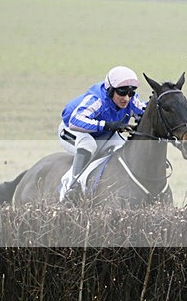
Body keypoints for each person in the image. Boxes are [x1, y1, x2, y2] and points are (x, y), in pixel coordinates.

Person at [57, 66, 146, 202]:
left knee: (123, 148)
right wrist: (106, 125)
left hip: (102, 134)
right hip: (71, 130)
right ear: (110, 90)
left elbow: (146, 111)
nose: (126, 98)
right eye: (122, 93)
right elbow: (75, 121)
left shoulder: (130, 99)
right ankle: (70, 187)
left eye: (131, 93)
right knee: (88, 146)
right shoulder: (97, 99)